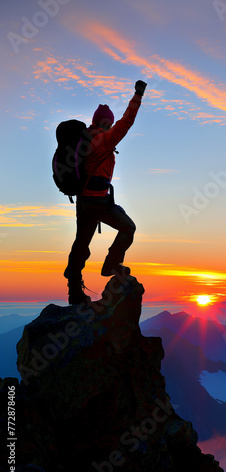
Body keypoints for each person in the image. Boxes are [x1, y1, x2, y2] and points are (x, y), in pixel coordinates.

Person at [64, 80, 147, 304]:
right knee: (128, 227)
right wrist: (137, 95)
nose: (112, 126)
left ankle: (74, 290)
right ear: (106, 122)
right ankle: (111, 264)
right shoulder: (104, 139)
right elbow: (127, 122)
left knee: (81, 243)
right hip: (98, 202)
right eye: (109, 123)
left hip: (84, 202)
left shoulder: (86, 140)